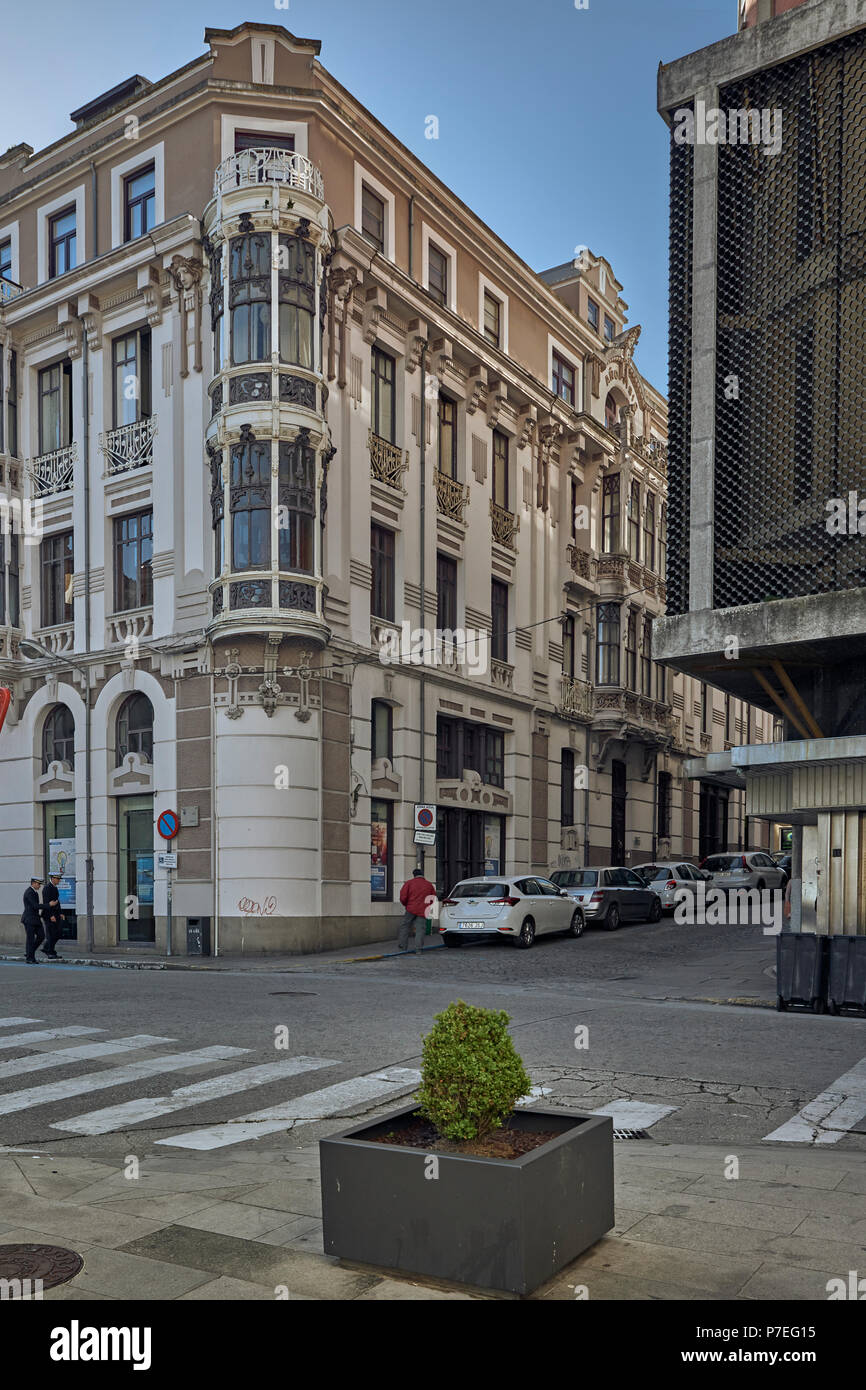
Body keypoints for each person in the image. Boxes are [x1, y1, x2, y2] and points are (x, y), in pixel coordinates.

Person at [397, 866, 436, 956]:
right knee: (420, 930)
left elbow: (403, 897)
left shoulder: (409, 883)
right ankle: (418, 949)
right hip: (423, 910)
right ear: (422, 875)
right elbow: (432, 899)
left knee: (404, 927)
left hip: (410, 909)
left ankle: (402, 947)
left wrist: (406, 905)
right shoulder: (429, 885)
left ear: (414, 875)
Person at [21, 877, 45, 964]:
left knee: (41, 936)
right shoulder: (29, 892)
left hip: (35, 919)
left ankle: (29, 953)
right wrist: (48, 905)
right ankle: (30, 958)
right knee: (30, 939)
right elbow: (35, 906)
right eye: (38, 884)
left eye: (40, 884)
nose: (39, 886)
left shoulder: (34, 892)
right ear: (33, 883)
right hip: (29, 919)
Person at [41, 873, 63, 960]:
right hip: (49, 914)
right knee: (51, 934)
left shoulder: (55, 887)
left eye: (59, 879)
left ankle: (46, 948)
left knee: (58, 933)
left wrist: (61, 913)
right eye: (57, 879)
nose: (59, 880)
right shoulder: (47, 888)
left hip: (56, 914)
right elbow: (47, 903)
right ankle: (50, 952)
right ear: (52, 878)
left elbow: (57, 901)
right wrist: (51, 915)